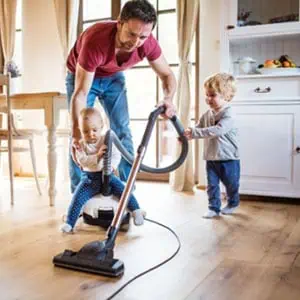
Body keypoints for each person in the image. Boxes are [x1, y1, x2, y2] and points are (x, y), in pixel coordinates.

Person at [66, 0, 176, 193]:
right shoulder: (95, 40)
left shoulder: (147, 43)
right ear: (119, 23)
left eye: (142, 37)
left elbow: (167, 75)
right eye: (131, 34)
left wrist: (168, 98)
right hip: (82, 77)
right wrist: (76, 133)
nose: (135, 42)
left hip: (113, 77)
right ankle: (80, 193)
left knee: (122, 129)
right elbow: (81, 93)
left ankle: (126, 191)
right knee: (80, 134)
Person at [60, 108, 145, 233]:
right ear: (80, 130)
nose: (91, 134)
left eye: (94, 130)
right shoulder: (81, 145)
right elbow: (82, 160)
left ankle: (136, 211)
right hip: (90, 179)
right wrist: (97, 156)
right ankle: (70, 222)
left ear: (102, 126)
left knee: (124, 191)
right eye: (86, 131)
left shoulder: (107, 138)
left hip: (109, 177)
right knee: (77, 197)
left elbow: (117, 154)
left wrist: (112, 167)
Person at [183, 73, 240, 218]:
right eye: (206, 95)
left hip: (228, 158)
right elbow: (199, 127)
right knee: (212, 185)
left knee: (231, 184)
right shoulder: (207, 114)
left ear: (225, 95)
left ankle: (233, 203)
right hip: (211, 157)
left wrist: (195, 132)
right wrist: (189, 134)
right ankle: (214, 207)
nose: (208, 99)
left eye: (212, 95)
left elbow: (218, 130)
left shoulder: (229, 114)